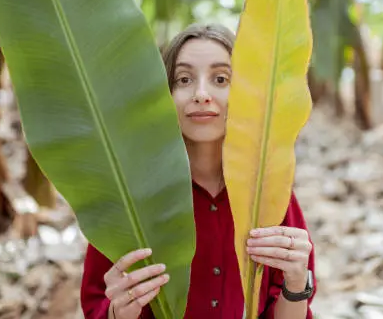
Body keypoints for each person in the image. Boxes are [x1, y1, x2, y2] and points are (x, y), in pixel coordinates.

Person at [80, 23, 316, 319]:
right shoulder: (128, 196)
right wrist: (117, 312)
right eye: (184, 79)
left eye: (220, 79)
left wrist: (296, 284)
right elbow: (97, 306)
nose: (201, 94)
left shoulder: (269, 191)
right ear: (164, 93)